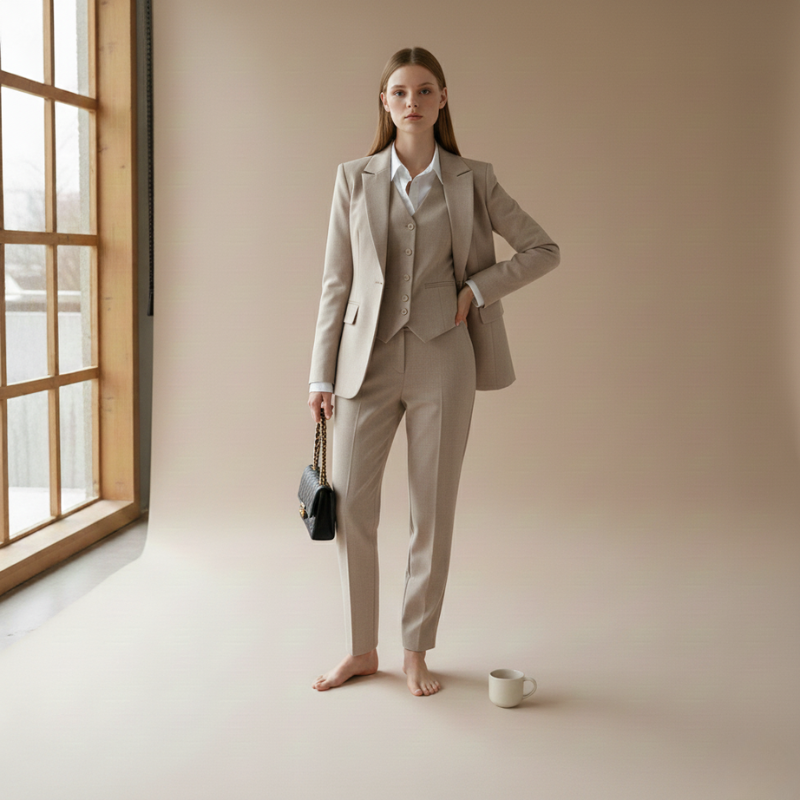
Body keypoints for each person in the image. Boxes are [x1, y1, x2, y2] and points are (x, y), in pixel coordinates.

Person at [308, 47, 560, 697]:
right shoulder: (352, 178)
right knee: (354, 508)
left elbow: (541, 249)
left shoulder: (473, 178)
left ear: (443, 99)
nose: (411, 102)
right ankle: (361, 649)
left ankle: (416, 647)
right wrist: (319, 375)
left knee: (431, 512)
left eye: (424, 91)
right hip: (363, 363)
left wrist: (477, 289)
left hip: (445, 358)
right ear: (384, 103)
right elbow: (336, 284)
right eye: (399, 92)